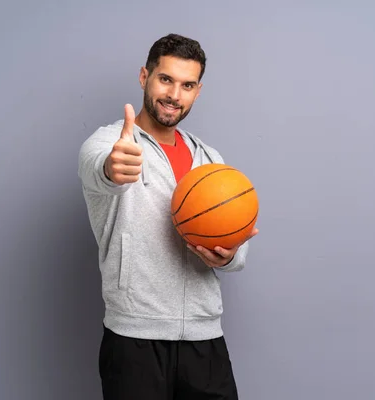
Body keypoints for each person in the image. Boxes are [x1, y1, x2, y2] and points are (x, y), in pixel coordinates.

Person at [77, 33, 258, 400]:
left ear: (197, 91)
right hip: (134, 340)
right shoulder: (109, 144)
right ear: (144, 77)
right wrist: (113, 169)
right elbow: (100, 172)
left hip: (205, 339)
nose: (175, 95)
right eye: (166, 79)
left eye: (187, 85)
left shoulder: (210, 159)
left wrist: (230, 255)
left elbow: (235, 248)